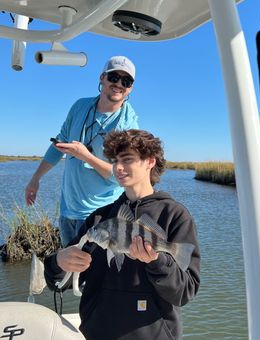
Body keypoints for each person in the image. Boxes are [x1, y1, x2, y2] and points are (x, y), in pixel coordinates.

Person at [44, 129, 200, 340]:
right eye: (115, 160)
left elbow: (184, 292)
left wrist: (157, 262)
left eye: (127, 160)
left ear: (150, 161)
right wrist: (58, 262)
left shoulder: (175, 215)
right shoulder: (99, 219)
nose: (117, 167)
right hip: (98, 333)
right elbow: (59, 283)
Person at [25, 56, 139, 246]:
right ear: (102, 77)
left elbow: (119, 176)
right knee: (69, 271)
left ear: (130, 89)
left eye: (126, 81)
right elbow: (58, 146)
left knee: (94, 274)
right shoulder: (80, 106)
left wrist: (85, 156)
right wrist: (35, 179)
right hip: (67, 211)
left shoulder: (129, 125)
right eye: (114, 77)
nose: (119, 84)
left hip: (102, 218)